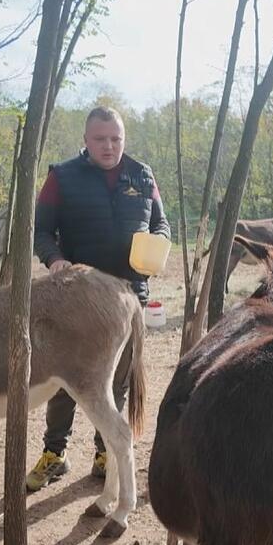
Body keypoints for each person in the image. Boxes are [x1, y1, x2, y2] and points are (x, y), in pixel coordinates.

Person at [26, 105, 170, 491]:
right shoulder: (62, 177)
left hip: (128, 299)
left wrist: (161, 243)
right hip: (76, 302)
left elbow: (161, 222)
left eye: (116, 139)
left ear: (124, 139)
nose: (109, 146)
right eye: (100, 139)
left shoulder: (142, 174)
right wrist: (55, 260)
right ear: (86, 140)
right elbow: (41, 231)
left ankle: (105, 449)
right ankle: (54, 453)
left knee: (116, 378)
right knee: (64, 379)